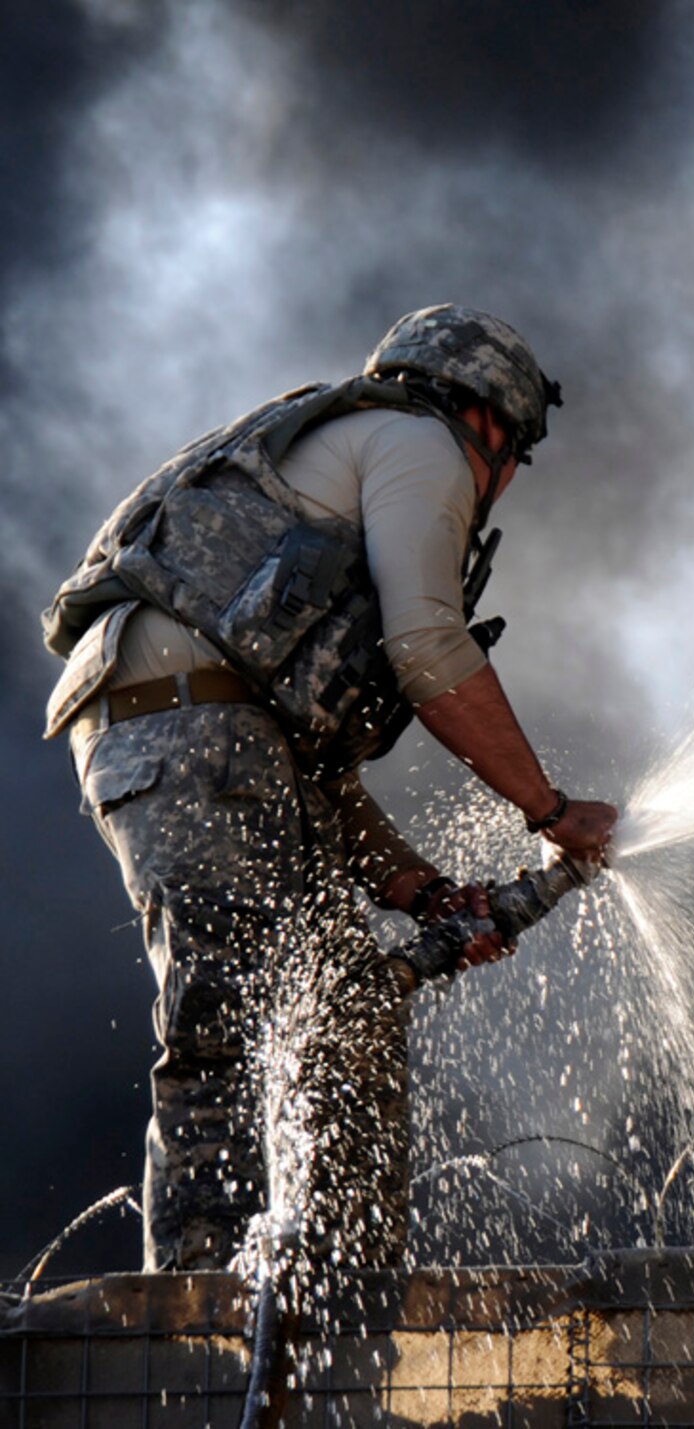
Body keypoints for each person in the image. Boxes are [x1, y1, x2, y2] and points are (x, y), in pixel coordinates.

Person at [41, 305, 618, 1272]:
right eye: (514, 456)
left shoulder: (341, 456)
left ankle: (338, 1300)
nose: (504, 483)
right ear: (489, 420)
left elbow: (313, 776)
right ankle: (202, 1333)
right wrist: (552, 813)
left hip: (194, 740)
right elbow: (429, 645)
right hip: (195, 736)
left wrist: (425, 893)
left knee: (341, 1008)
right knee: (236, 1022)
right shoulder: (419, 442)